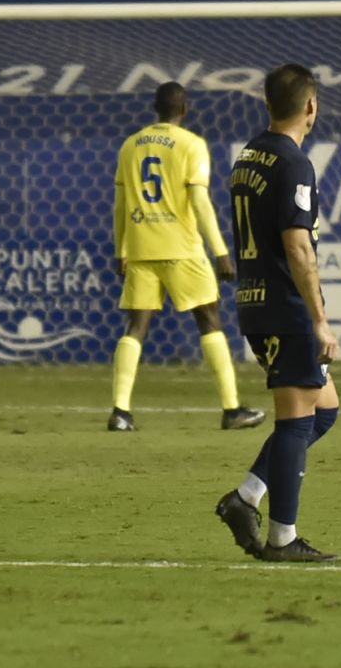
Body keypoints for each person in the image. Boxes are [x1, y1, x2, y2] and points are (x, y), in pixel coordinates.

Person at [212, 64, 340, 564]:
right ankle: (283, 538)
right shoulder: (293, 162)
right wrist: (320, 319)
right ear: (311, 106)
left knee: (323, 411)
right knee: (295, 423)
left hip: (254, 301)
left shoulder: (249, 155)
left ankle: (245, 498)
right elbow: (298, 248)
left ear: (268, 104)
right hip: (284, 309)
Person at [108, 82, 265, 433]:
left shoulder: (130, 145)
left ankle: (120, 411)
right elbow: (199, 202)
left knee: (136, 326)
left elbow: (120, 204)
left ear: (154, 108)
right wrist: (221, 252)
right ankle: (232, 409)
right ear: (185, 110)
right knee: (209, 319)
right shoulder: (192, 145)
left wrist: (121, 249)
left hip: (141, 246)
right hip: (182, 248)